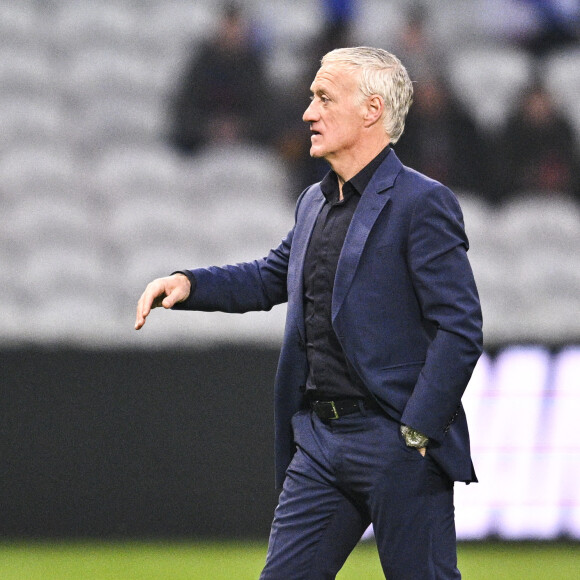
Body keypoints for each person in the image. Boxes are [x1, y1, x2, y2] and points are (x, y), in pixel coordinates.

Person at [136, 47, 483, 579]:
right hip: (320, 443)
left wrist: (417, 429)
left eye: (324, 97)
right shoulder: (313, 202)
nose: (308, 113)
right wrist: (190, 283)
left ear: (371, 110)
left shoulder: (423, 202)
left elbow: (459, 328)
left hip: (395, 442)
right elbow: (272, 276)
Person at [167, 2, 273, 154]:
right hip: (201, 147)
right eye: (228, 26)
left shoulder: (255, 67)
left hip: (247, 147)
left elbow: (267, 113)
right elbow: (184, 111)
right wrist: (209, 129)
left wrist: (241, 129)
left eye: (236, 26)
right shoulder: (200, 65)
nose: (231, 32)